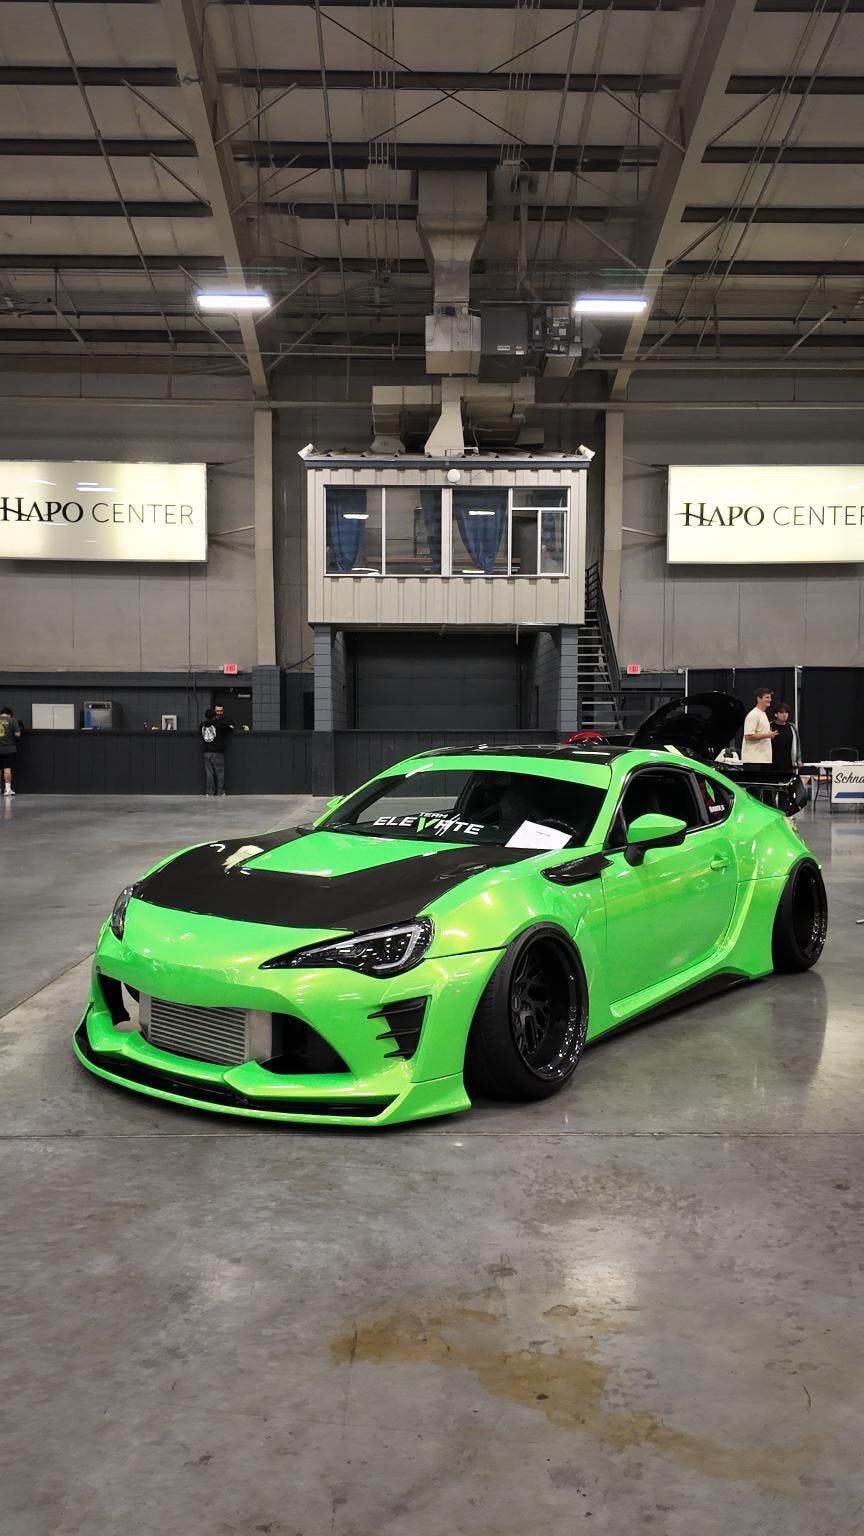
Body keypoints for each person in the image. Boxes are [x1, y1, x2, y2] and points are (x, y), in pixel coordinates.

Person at [200, 703, 235, 795]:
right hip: (217, 751)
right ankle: (220, 791)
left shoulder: (202, 725)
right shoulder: (219, 724)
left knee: (209, 773)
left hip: (206, 752)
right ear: (214, 714)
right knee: (219, 772)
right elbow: (230, 729)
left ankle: (209, 792)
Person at [741, 687, 776, 767]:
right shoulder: (753, 714)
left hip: (764, 759)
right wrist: (767, 735)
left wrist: (769, 735)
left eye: (770, 697)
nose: (770, 700)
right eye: (767, 697)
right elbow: (748, 736)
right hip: (753, 760)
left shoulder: (763, 714)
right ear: (758, 699)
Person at [771, 703, 801, 774]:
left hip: (788, 764)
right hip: (772, 764)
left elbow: (797, 744)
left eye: (786, 712)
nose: (784, 714)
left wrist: (798, 759)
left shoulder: (792, 727)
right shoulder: (770, 726)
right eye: (781, 712)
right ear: (776, 714)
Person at [0, 706, 22, 795]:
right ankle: (7, 789)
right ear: (10, 714)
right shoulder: (12, 720)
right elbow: (18, 734)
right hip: (8, 749)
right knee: (7, 769)